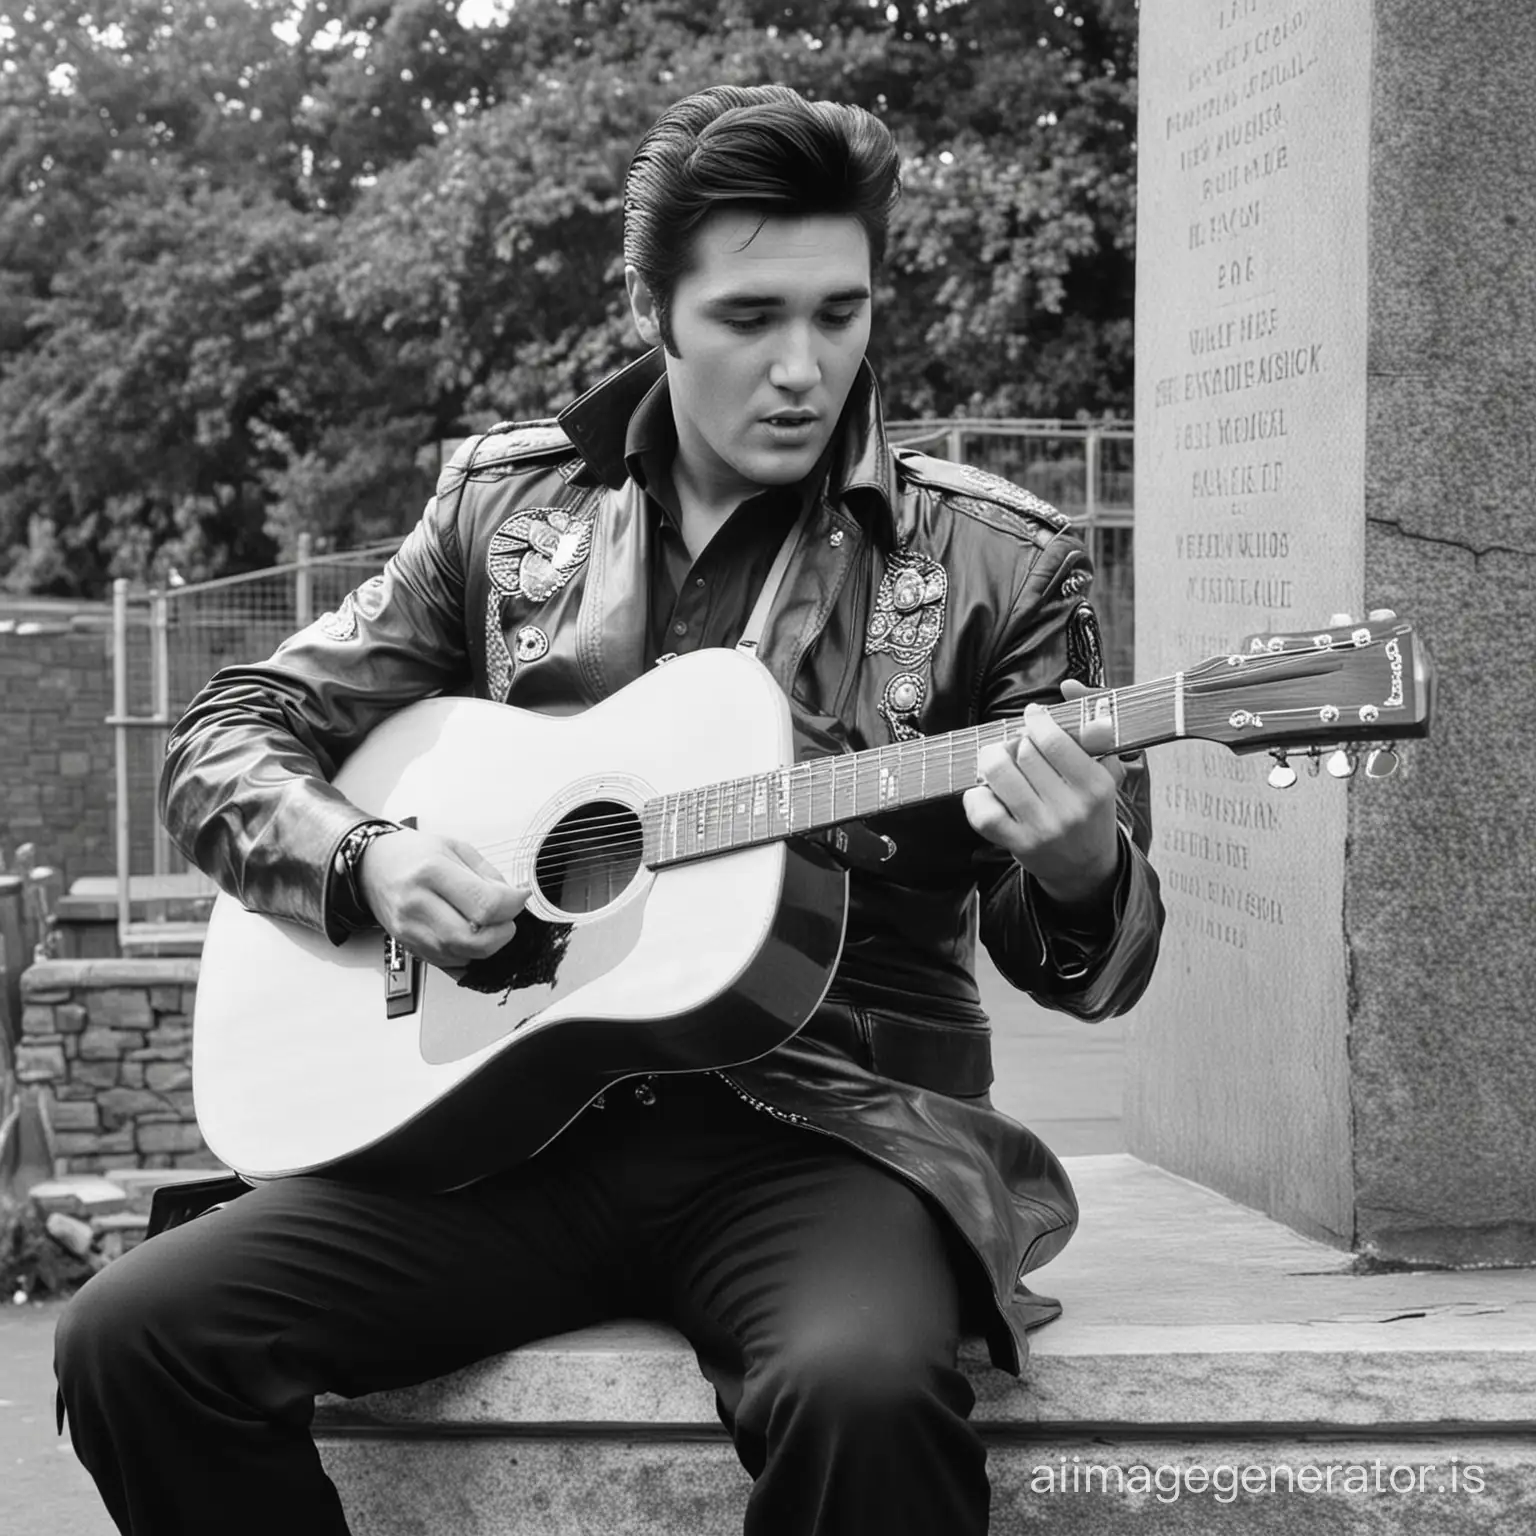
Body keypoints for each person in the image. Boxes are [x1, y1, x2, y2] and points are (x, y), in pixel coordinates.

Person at [54, 84, 1163, 1535]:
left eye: (842, 314)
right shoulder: (508, 513)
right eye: (751, 318)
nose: (804, 366)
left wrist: (1082, 870)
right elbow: (226, 735)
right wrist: (366, 860)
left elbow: (1096, 964)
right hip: (511, 1122)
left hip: (833, 1135)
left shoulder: (998, 562)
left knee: (864, 1395)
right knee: (134, 1338)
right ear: (655, 311)